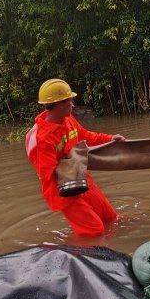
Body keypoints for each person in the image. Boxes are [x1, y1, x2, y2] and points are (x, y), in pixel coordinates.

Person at [25, 79, 126, 236]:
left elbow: (85, 135)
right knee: (94, 230)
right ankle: (72, 256)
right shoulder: (43, 139)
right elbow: (47, 175)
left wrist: (111, 138)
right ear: (58, 105)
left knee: (111, 218)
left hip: (78, 176)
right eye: (68, 101)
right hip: (62, 191)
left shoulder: (68, 119)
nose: (72, 104)